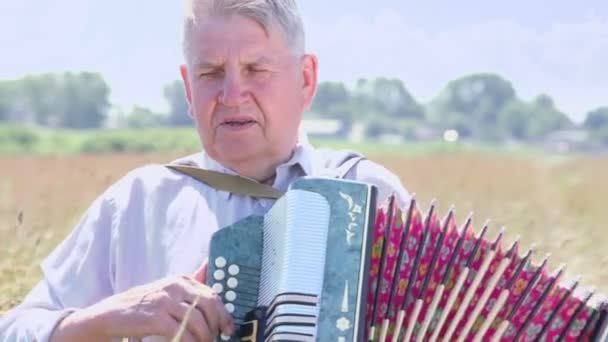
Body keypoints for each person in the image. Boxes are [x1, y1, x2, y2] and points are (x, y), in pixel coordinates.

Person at [0, 1, 409, 341]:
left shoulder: (369, 193)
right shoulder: (138, 203)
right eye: (210, 73)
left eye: (256, 69)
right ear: (188, 90)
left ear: (305, 79)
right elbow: (14, 329)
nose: (232, 95)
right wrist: (106, 318)